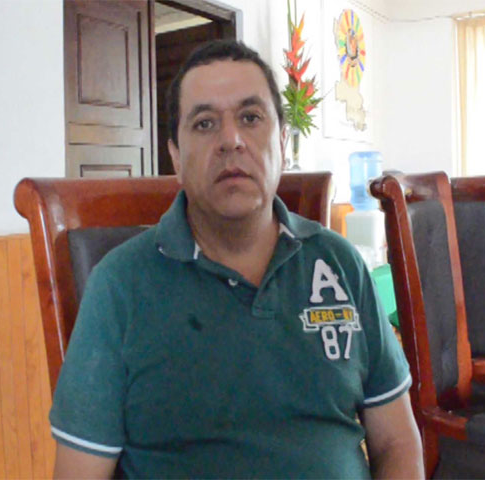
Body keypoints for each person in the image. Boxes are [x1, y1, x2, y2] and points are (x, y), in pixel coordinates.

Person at [50, 40, 424, 479]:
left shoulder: (340, 263)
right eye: (204, 123)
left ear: (281, 141)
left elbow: (398, 442)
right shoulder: (118, 286)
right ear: (175, 157)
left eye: (250, 118)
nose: (231, 140)